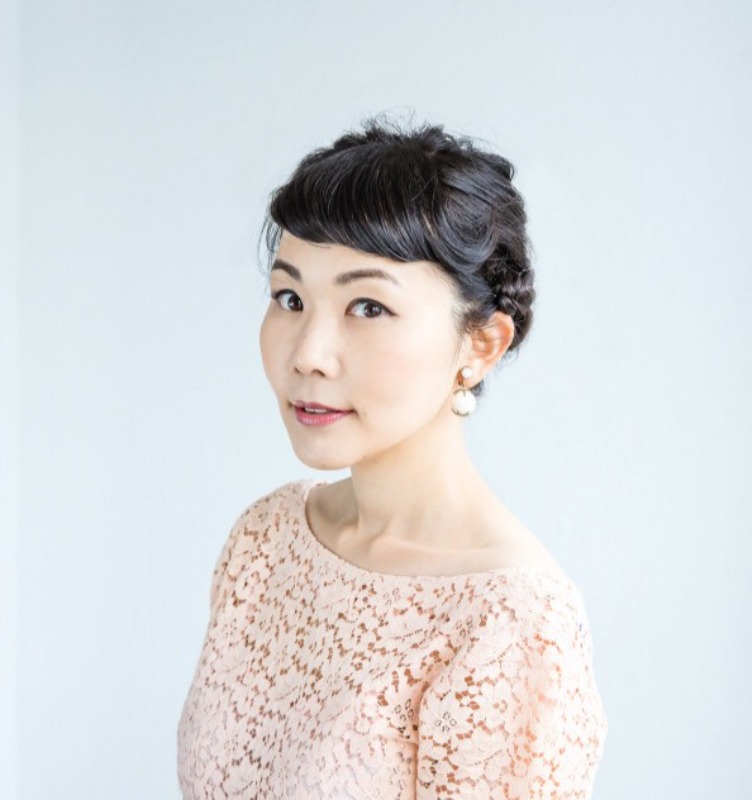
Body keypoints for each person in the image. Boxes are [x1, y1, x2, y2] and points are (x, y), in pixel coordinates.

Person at [177, 117, 608, 799]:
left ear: (481, 345)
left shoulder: (509, 621)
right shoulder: (266, 541)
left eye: (368, 307)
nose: (308, 354)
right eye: (290, 298)